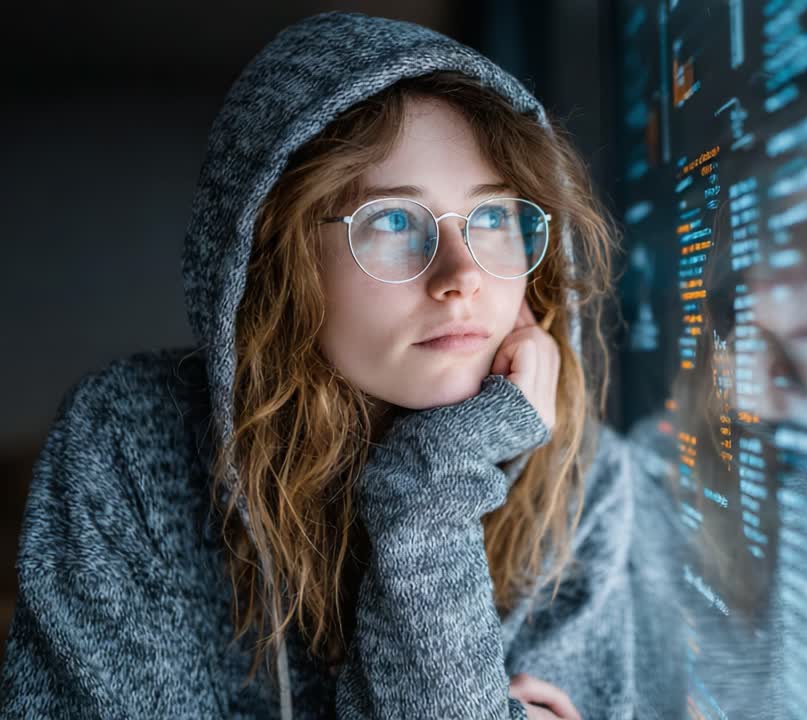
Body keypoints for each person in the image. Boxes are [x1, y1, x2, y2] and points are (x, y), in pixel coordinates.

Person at [0, 11, 684, 720]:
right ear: (278, 256)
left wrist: (429, 493)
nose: (460, 276)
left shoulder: (584, 484)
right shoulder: (127, 443)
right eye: (392, 220)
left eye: (491, 218)